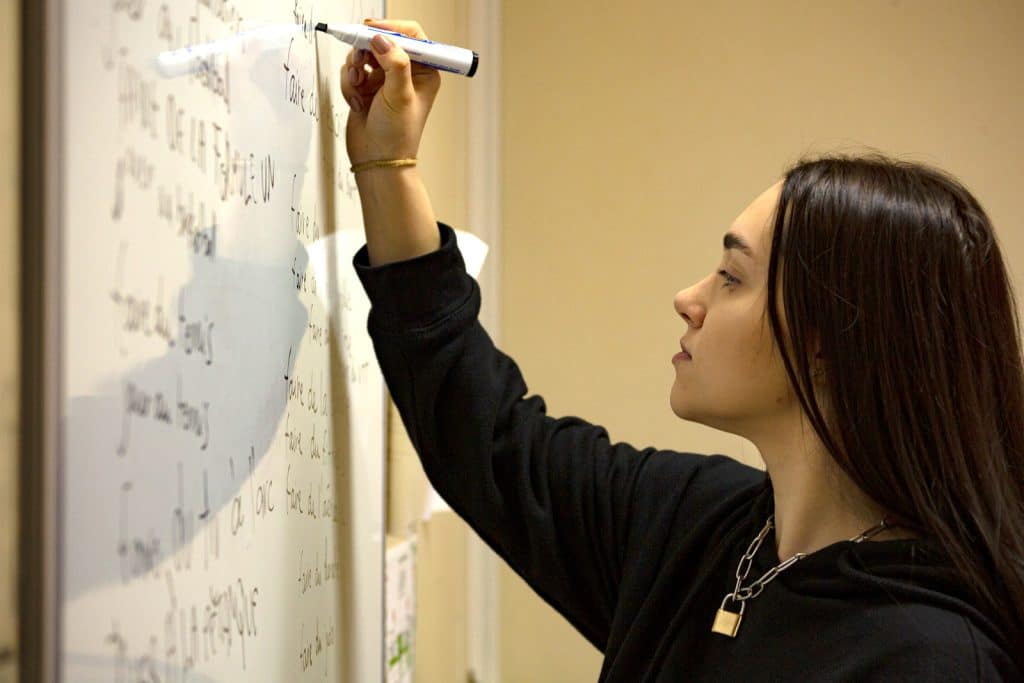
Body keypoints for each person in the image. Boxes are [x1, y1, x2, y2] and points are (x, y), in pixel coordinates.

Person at [342, 18, 1023, 681]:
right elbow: (489, 440)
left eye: (731, 277)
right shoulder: (705, 527)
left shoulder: (927, 657)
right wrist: (386, 165)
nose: (687, 298)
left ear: (829, 348)